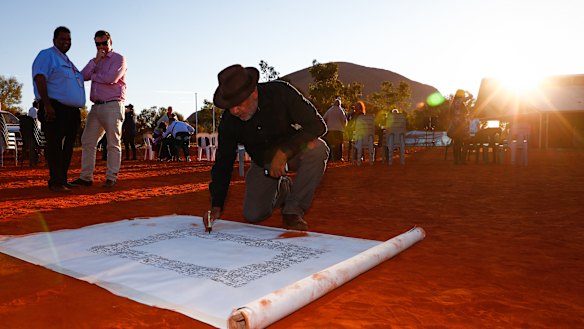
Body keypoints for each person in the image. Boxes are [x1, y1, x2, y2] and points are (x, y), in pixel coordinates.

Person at [203, 64, 329, 231]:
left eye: (239, 103)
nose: (235, 110)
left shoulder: (281, 93)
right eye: (230, 105)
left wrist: (285, 151)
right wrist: (216, 204)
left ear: (254, 92)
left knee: (318, 148)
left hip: (295, 151)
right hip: (263, 163)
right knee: (253, 214)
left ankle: (293, 209)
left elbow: (318, 126)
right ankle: (284, 188)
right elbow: (223, 162)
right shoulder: (229, 121)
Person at [70, 30, 127, 188]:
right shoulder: (95, 60)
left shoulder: (119, 59)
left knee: (113, 142)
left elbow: (111, 79)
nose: (101, 46)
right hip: (96, 107)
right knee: (87, 141)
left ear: (111, 42)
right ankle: (86, 177)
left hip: (113, 105)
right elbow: (81, 76)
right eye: (98, 44)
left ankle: (111, 177)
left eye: (104, 43)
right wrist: (95, 62)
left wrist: (94, 76)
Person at [32, 26, 85, 192]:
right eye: (62, 39)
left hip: (71, 111)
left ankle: (62, 179)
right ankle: (55, 181)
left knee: (67, 146)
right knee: (55, 145)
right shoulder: (47, 55)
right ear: (54, 40)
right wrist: (47, 105)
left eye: (69, 40)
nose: (66, 42)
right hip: (55, 107)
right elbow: (40, 77)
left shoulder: (68, 62)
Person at [447, 89, 472, 165]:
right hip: (459, 125)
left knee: (457, 143)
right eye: (463, 94)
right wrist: (468, 92)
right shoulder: (459, 101)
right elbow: (471, 96)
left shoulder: (454, 102)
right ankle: (461, 160)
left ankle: (457, 160)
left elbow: (451, 115)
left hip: (455, 125)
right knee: (463, 142)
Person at [322, 97, 347, 161]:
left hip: (330, 130)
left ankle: (329, 157)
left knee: (330, 144)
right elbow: (344, 120)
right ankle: (339, 158)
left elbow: (324, 118)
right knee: (339, 144)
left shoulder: (330, 110)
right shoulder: (340, 110)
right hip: (339, 130)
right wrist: (344, 127)